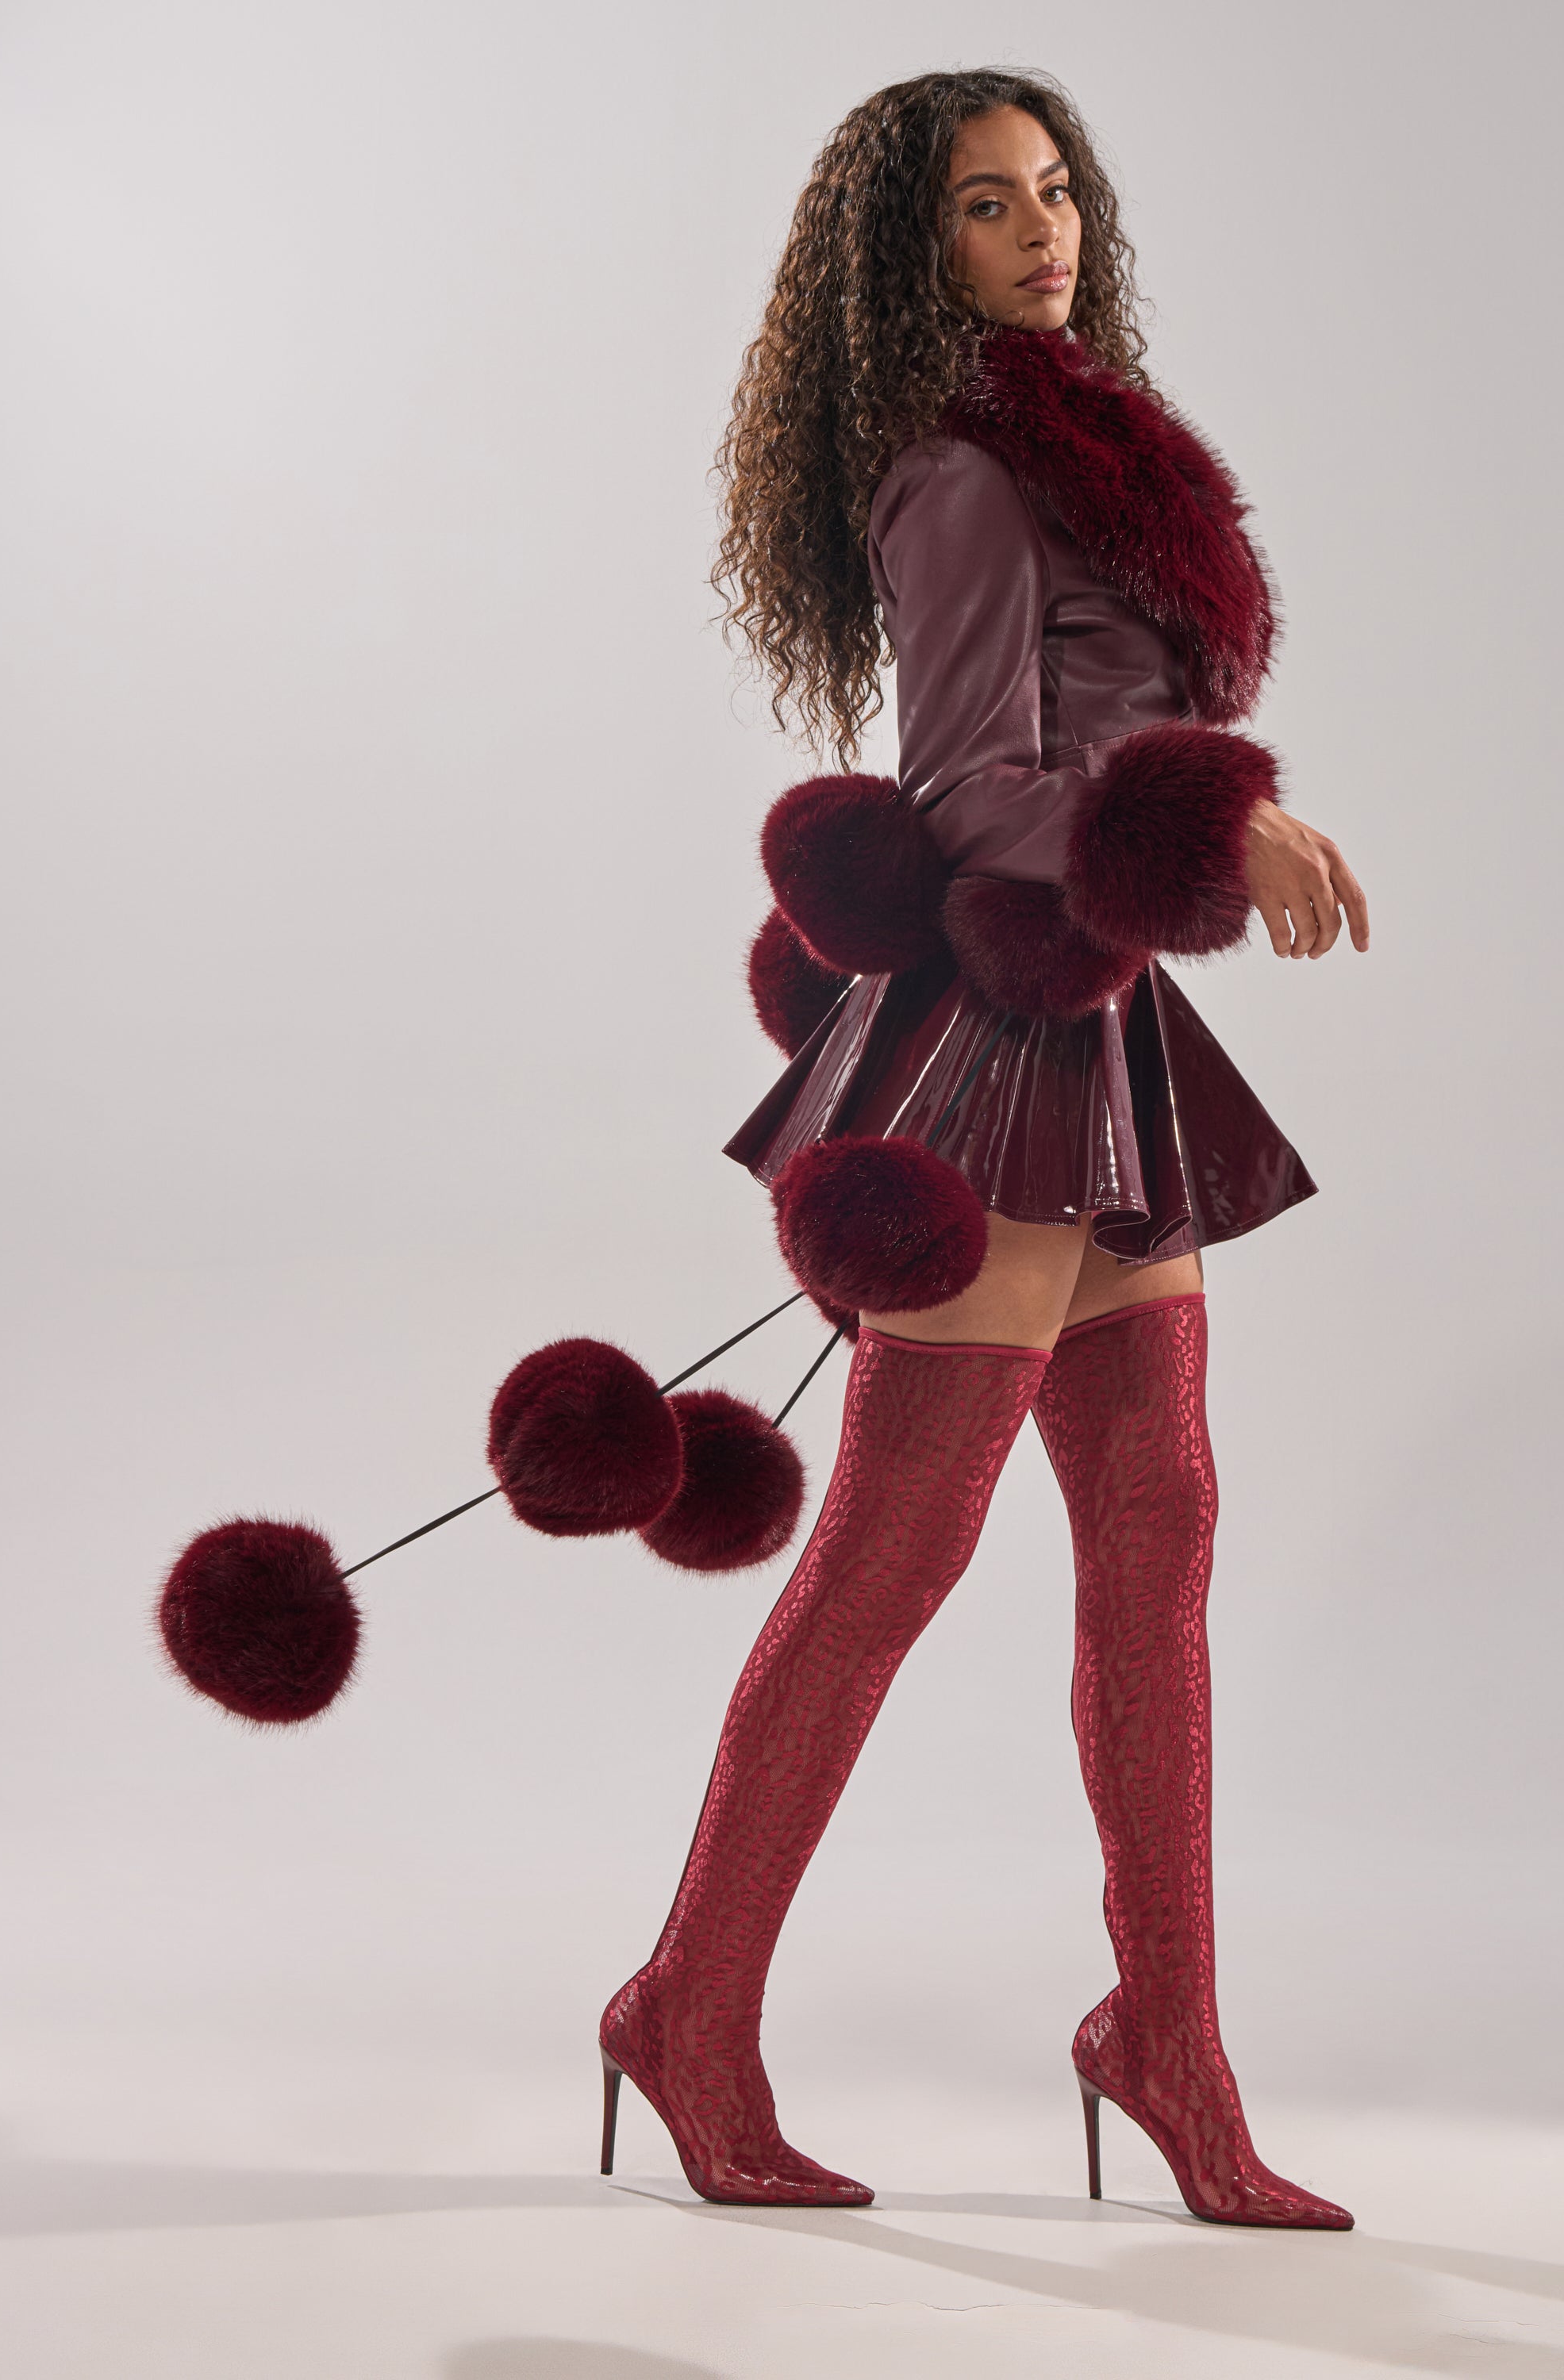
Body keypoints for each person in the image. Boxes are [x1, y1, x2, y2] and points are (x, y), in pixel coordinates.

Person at [598, 68, 1367, 2226]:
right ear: (905, 253)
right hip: (991, 1035)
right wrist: (1226, 817)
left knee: (1162, 1511)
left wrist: (1195, 822)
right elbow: (964, 791)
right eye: (984, 209)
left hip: (1104, 1026)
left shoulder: (1095, 455)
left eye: (1057, 196)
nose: (1047, 235)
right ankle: (690, 2010)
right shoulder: (955, 475)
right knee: (900, 1547)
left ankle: (1169, 2048)